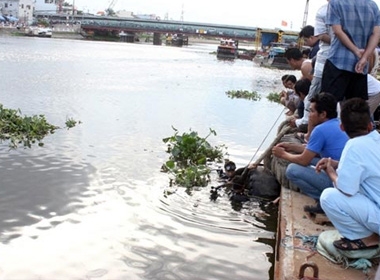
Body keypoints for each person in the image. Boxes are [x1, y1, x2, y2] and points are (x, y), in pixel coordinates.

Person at [317, 98, 380, 251]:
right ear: (370, 125)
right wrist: (336, 164)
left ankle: (368, 239)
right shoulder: (376, 138)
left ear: (342, 127)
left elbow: (346, 189)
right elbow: (367, 167)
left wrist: (331, 172)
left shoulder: (353, 145)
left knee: (328, 197)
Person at [272, 92, 349, 213]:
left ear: (323, 114)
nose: (310, 115)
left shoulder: (320, 130)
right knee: (308, 159)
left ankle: (324, 201)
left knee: (292, 170)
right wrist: (290, 147)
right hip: (343, 173)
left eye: (312, 111)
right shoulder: (339, 123)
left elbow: (304, 160)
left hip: (338, 180)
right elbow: (311, 150)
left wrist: (283, 154)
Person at [321, 0, 380, 101]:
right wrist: (364, 57)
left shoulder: (335, 3)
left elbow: (338, 31)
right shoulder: (372, 5)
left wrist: (356, 51)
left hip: (337, 61)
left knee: (328, 104)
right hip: (361, 65)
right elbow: (376, 34)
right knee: (355, 107)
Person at [297, 1, 331, 142]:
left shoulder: (318, 50)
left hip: (325, 70)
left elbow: (313, 86)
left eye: (306, 40)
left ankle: (308, 133)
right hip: (332, 70)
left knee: (311, 99)